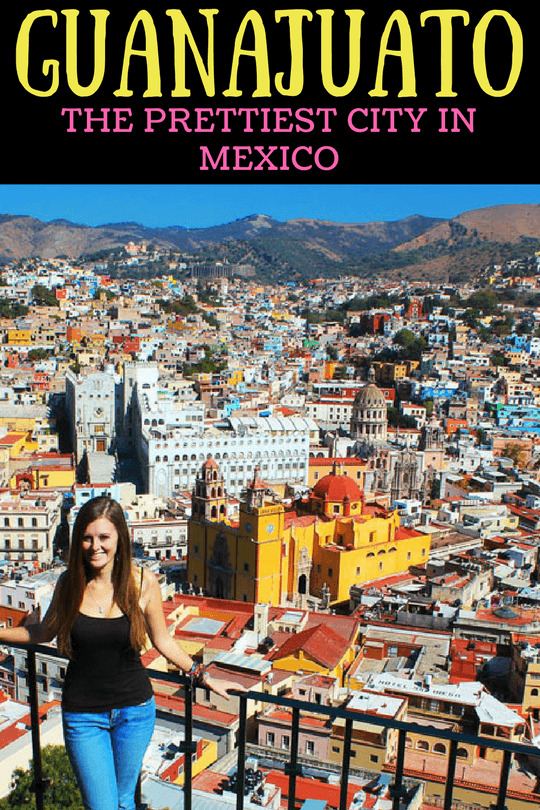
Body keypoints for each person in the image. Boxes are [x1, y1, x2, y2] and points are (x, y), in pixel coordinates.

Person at [0, 496, 244, 810]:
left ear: (119, 539)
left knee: (125, 802)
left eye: (104, 537)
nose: (95, 546)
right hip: (84, 715)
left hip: (135, 711)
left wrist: (203, 676)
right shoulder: (69, 583)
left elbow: (163, 641)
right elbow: (44, 632)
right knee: (101, 805)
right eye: (87, 538)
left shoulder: (143, 582)